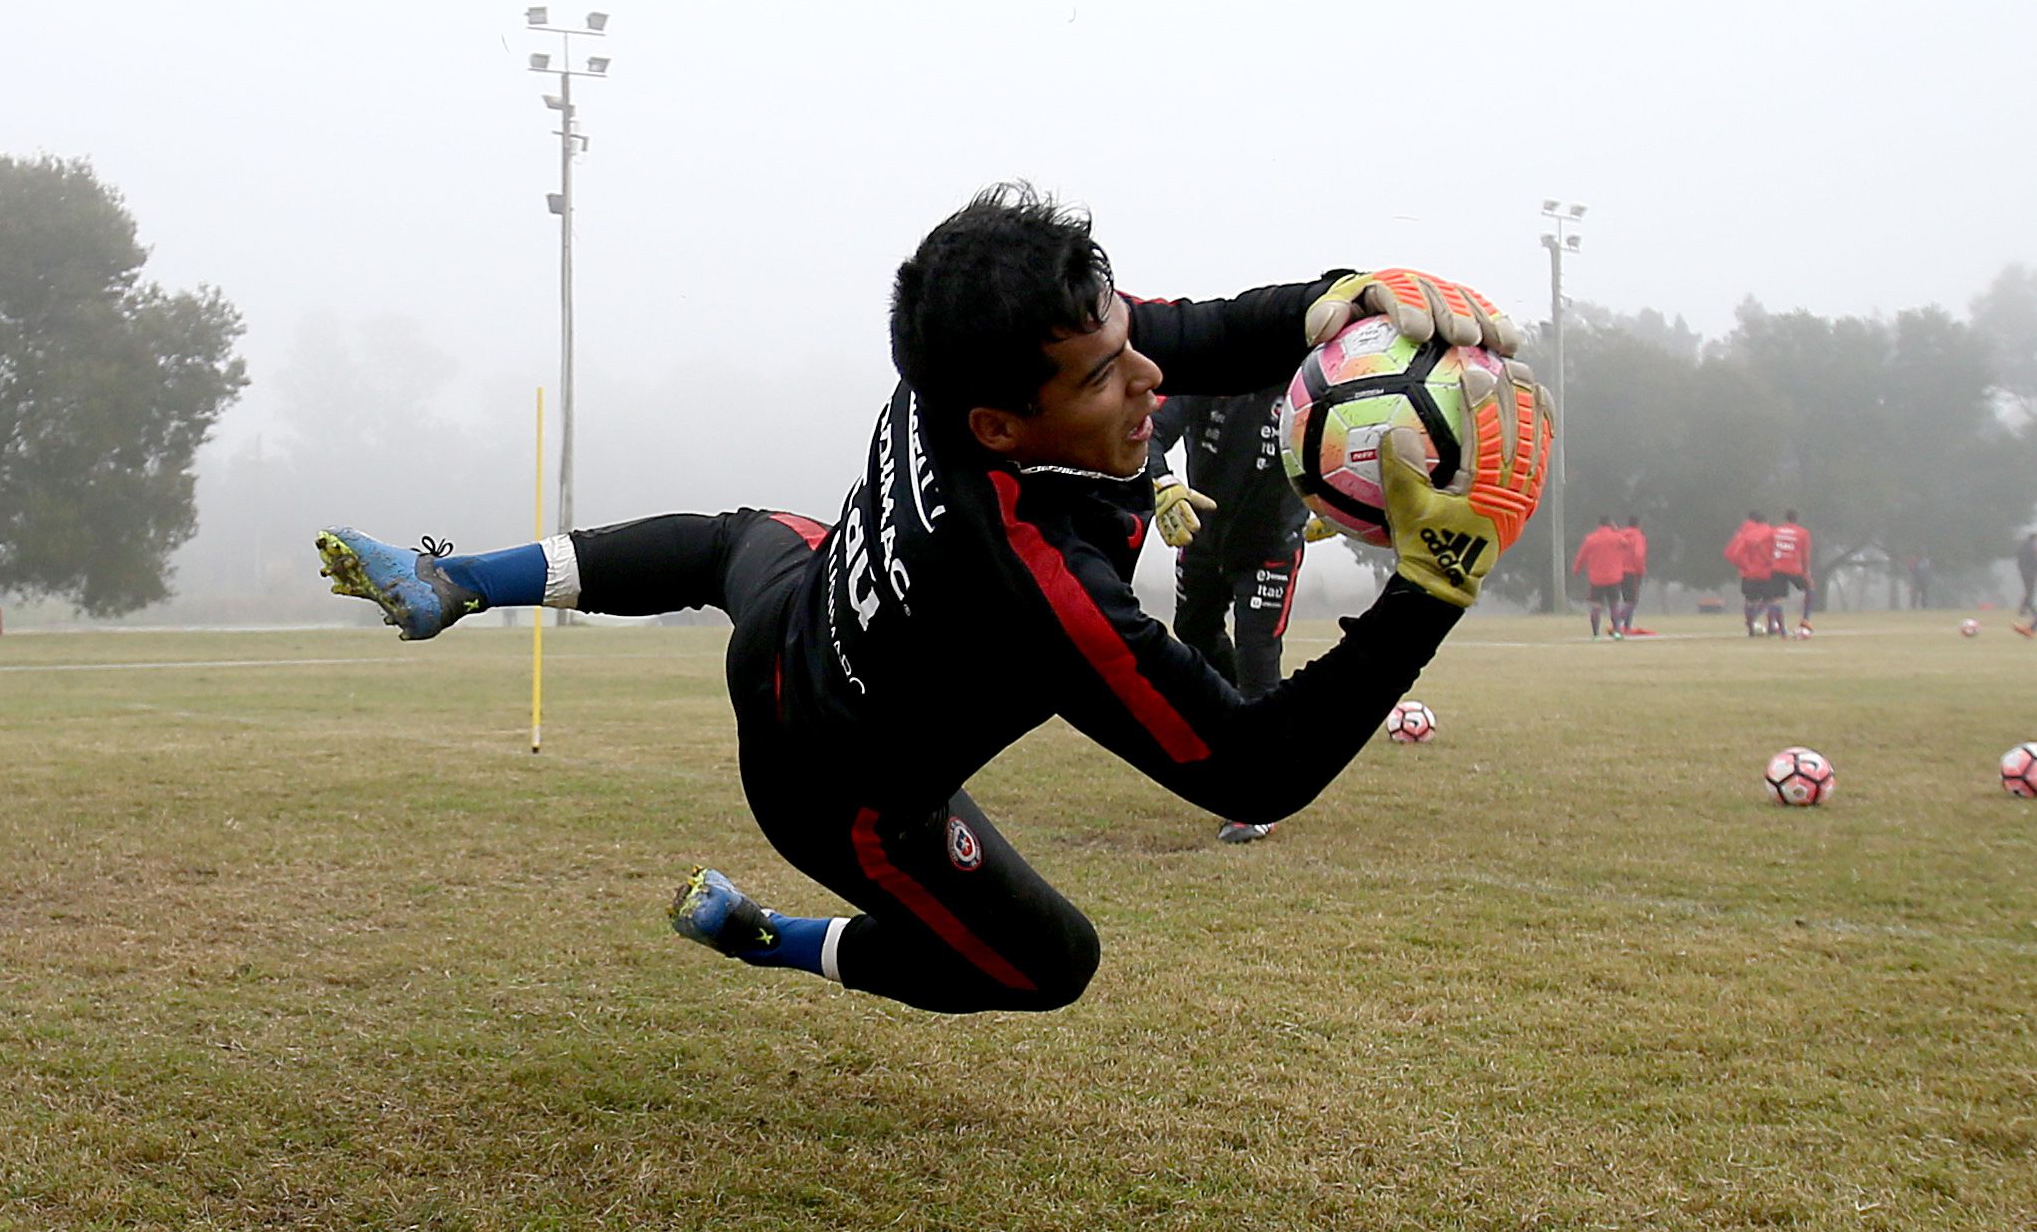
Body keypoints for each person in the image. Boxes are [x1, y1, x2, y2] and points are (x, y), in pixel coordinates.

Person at [314, 186, 1552, 1016]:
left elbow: (1212, 327)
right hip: (836, 786)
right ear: (1003, 426)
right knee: (1050, 965)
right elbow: (1251, 769)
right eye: (1112, 374)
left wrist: (1341, 301)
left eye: (1127, 338)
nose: (1153, 376)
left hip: (806, 605)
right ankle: (767, 938)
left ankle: (452, 582)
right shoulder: (1027, 576)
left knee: (733, 541)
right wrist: (1435, 584)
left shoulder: (961, 365)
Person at [1147, 384, 1314, 842]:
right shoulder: (1210, 376)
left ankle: (1257, 800)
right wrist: (1161, 481)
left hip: (1271, 545)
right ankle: (1250, 718)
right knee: (1192, 632)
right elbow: (1150, 433)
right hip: (1202, 535)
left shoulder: (1307, 384)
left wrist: (1336, 505)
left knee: (1258, 655)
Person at [1572, 516, 1630, 639]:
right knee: (1614, 605)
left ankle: (1596, 634)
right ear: (1610, 524)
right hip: (1614, 577)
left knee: (1596, 606)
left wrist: (1576, 570)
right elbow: (1626, 544)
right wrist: (1617, 530)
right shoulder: (1616, 537)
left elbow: (1581, 556)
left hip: (1596, 578)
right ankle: (1617, 632)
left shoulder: (1591, 539)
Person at [1724, 512, 1775, 635]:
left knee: (1750, 600)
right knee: (1771, 600)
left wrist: (1746, 566)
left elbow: (1732, 554)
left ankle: (1751, 628)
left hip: (1748, 574)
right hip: (1767, 573)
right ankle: (1770, 628)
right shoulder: (1772, 532)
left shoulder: (1743, 534)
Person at [1766, 509, 1813, 637]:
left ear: (1785, 518)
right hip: (1793, 568)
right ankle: (1805, 620)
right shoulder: (1803, 533)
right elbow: (1805, 555)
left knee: (1776, 600)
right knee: (1809, 589)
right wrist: (1805, 572)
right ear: (1797, 519)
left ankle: (1781, 630)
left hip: (1777, 567)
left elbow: (1768, 549)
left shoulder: (1775, 531)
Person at [1618, 514, 1650, 633]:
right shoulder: (1638, 537)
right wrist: (1641, 570)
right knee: (1632, 600)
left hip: (1617, 570)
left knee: (1627, 599)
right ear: (1639, 524)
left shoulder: (1620, 535)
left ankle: (1627, 627)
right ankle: (1618, 620)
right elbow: (1639, 555)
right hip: (1632, 572)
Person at [2016, 534, 2037, 638]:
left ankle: (2030, 629)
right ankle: (2030, 629)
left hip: (2027, 572)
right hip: (2028, 572)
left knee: (2029, 592)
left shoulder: (2027, 548)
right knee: (2029, 592)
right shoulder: (2028, 548)